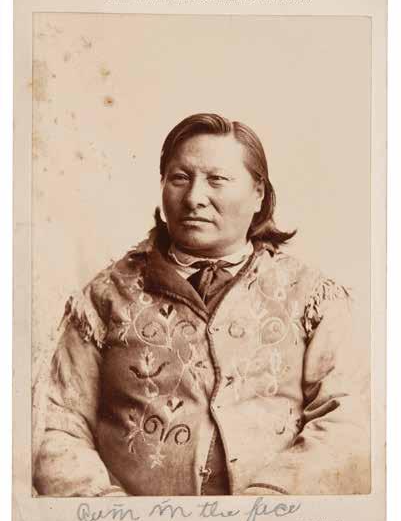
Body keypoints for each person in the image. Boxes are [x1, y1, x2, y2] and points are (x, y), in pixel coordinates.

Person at [33, 113, 370, 497]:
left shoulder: (311, 297)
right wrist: (107, 510)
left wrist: (272, 500)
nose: (194, 198)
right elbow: (55, 422)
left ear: (258, 193)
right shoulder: (105, 297)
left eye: (217, 179)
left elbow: (347, 422)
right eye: (180, 178)